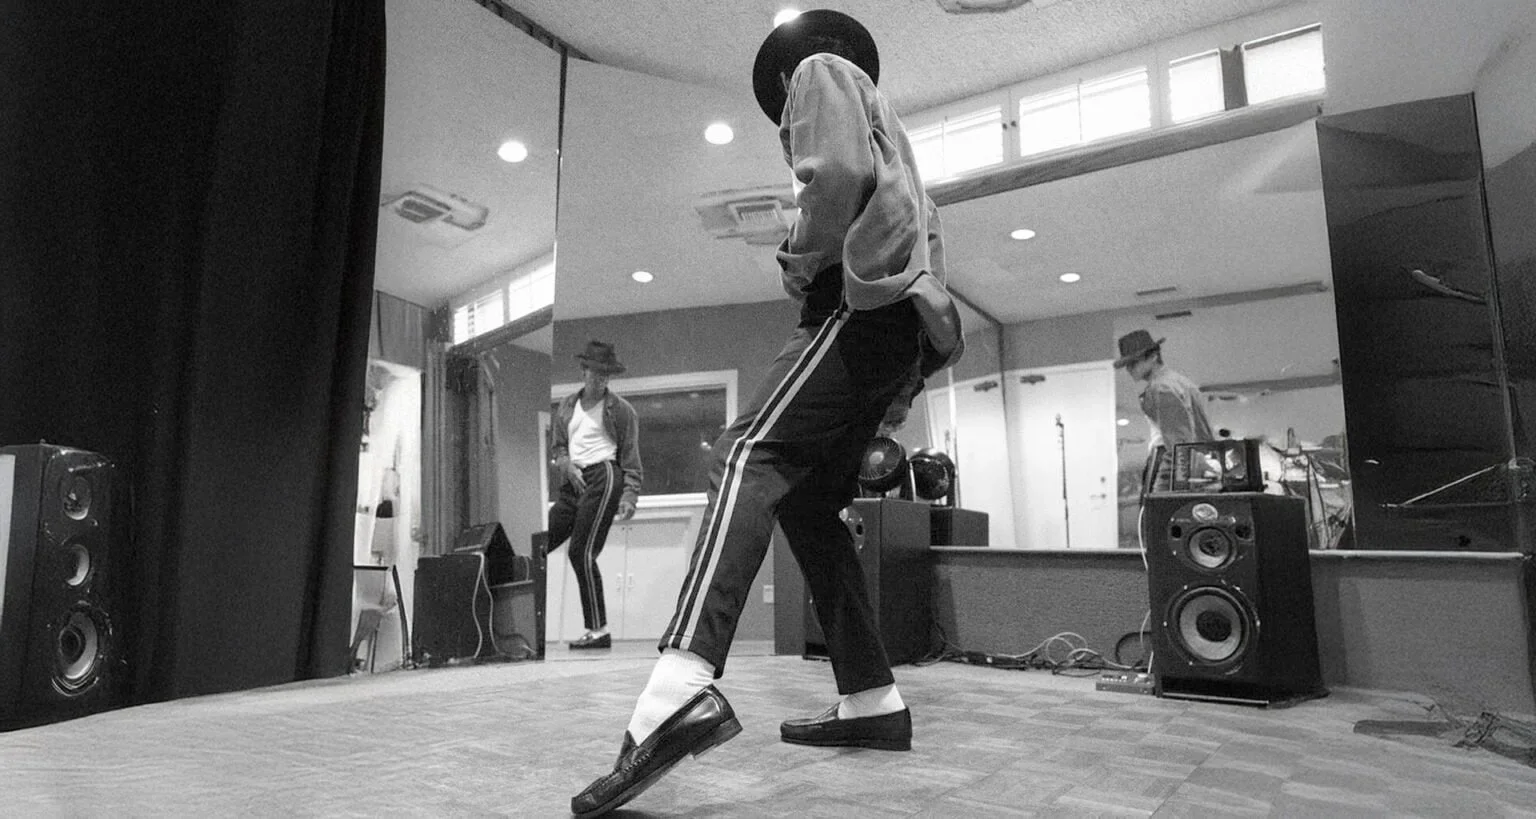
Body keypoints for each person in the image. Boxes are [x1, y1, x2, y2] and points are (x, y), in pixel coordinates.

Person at [571, 10, 963, 817]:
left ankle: (678, 685)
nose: (784, 125)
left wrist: (798, 257)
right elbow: (920, 245)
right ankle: (872, 698)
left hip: (855, 314)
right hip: (898, 325)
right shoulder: (900, 138)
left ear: (786, 78)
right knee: (813, 503)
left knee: (747, 450)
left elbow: (836, 175)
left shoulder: (818, 71)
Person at [547, 341, 643, 650]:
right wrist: (565, 465)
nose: (601, 380)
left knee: (581, 552)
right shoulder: (566, 406)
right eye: (596, 373)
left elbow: (630, 455)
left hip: (604, 475)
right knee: (542, 543)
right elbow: (559, 447)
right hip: (573, 481)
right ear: (584, 371)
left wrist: (629, 496)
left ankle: (598, 630)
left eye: (606, 375)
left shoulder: (621, 410)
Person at [1114, 329, 1216, 495]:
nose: (1129, 369)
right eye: (1127, 364)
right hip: (1196, 458)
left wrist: (1163, 486)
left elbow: (1178, 442)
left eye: (1134, 362)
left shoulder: (1161, 387)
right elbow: (1201, 432)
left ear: (1153, 356)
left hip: (1171, 461)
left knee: (1158, 516)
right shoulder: (1182, 382)